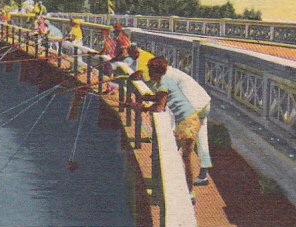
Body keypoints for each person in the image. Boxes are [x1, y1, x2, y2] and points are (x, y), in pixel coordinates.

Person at [132, 56, 211, 204]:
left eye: (150, 71)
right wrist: (148, 97)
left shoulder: (163, 82)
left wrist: (143, 107)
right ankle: (185, 191)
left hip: (187, 122)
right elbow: (160, 97)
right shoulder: (166, 80)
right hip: (190, 119)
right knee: (177, 155)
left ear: (156, 72)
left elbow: (160, 107)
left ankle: (186, 193)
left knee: (178, 156)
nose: (149, 73)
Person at [90, 28, 116, 94]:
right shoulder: (110, 40)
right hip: (110, 58)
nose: (101, 34)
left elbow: (105, 50)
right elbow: (104, 50)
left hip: (109, 59)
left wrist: (99, 54)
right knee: (109, 74)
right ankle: (109, 88)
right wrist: (98, 53)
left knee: (109, 74)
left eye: (102, 33)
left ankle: (110, 88)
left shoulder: (108, 40)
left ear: (106, 33)